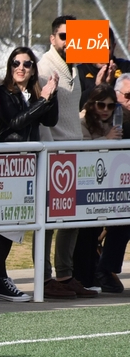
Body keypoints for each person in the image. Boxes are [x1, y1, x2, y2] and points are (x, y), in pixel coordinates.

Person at [0, 47, 59, 302]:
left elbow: (50, 121)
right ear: (9, 67)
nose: (21, 67)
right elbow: (14, 123)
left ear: (33, 69)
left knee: (15, 223)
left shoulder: (35, 92)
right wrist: (42, 101)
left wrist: (52, 93)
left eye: (27, 64)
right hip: (9, 164)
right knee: (5, 223)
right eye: (16, 63)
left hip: (28, 165)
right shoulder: (2, 92)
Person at [37, 15, 98, 300]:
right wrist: (48, 151)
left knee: (71, 218)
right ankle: (45, 278)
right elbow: (41, 116)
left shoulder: (76, 66)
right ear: (52, 38)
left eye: (74, 36)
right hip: (54, 152)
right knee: (48, 220)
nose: (69, 41)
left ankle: (64, 274)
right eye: (64, 36)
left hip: (75, 152)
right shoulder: (43, 67)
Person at [71, 85, 121, 290]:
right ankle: (80, 278)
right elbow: (81, 147)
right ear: (92, 104)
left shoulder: (111, 124)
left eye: (110, 106)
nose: (105, 109)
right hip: (82, 184)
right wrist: (106, 139)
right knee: (83, 235)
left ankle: (90, 278)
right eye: (101, 104)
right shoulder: (82, 121)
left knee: (93, 234)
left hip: (102, 186)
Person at [95, 74, 130, 293]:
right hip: (95, 183)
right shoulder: (95, 116)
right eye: (127, 95)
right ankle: (101, 269)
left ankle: (105, 267)